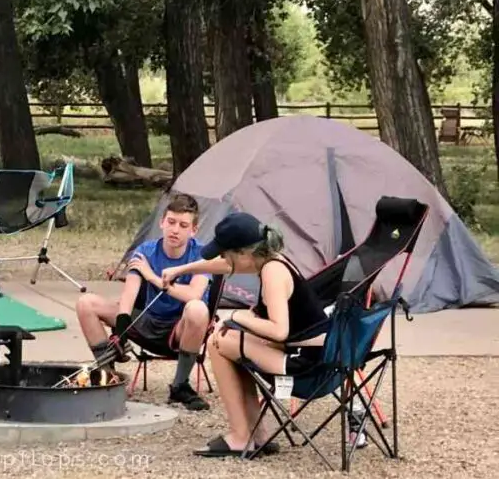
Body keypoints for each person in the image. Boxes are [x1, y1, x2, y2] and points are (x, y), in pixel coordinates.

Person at [159, 212, 329, 457]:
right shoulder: (270, 258)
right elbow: (225, 265)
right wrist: (182, 269)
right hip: (313, 353)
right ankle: (257, 434)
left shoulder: (273, 273)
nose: (225, 260)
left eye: (227, 253)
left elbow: (279, 330)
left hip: (307, 364)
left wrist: (237, 318)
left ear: (243, 253)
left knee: (219, 342)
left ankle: (241, 436)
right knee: (229, 342)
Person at [75, 193, 212, 411]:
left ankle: (180, 386)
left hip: (178, 329)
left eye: (183, 225)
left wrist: (153, 278)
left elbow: (194, 295)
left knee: (197, 309)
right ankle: (109, 377)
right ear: (162, 222)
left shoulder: (201, 254)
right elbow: (129, 294)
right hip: (146, 321)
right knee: (86, 303)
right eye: (171, 222)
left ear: (193, 230)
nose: (175, 230)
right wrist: (120, 328)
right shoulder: (146, 251)